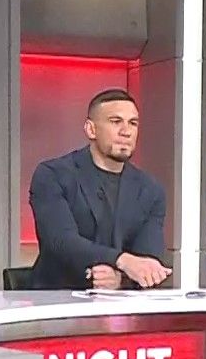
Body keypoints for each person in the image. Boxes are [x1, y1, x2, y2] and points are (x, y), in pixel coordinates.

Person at [28, 88, 170, 291]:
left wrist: (120, 279)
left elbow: (147, 260)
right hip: (57, 298)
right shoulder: (53, 175)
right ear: (91, 129)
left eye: (133, 123)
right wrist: (121, 260)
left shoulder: (150, 190)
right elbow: (61, 241)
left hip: (121, 305)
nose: (126, 131)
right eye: (115, 121)